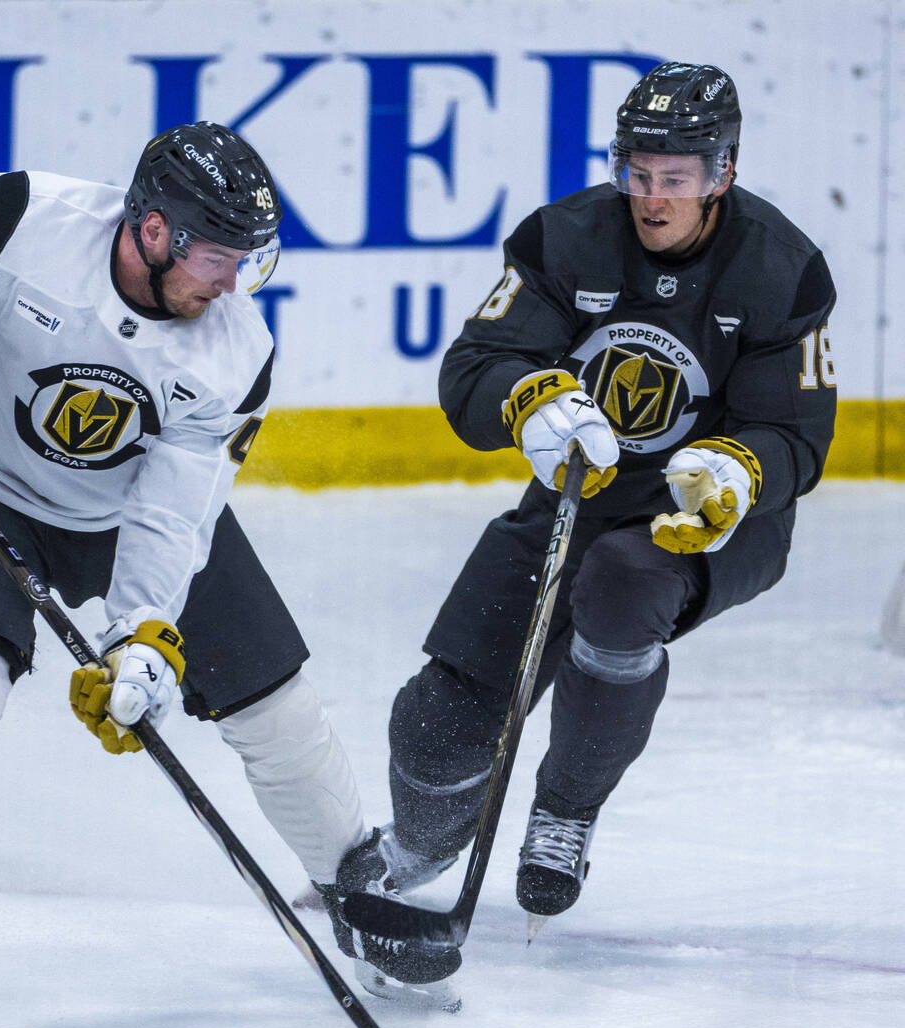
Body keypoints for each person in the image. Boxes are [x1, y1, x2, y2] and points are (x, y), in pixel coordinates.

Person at [0, 122, 450, 1028]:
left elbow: (172, 512)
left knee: (273, 702)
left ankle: (359, 895)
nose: (232, 282)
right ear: (154, 231)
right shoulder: (20, 215)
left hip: (123, 512)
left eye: (246, 261)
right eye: (220, 258)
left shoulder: (236, 353)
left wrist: (143, 632)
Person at [357, 61, 838, 956]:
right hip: (582, 494)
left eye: (675, 179)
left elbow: (796, 436)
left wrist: (737, 467)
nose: (650, 199)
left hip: (713, 518)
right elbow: (474, 367)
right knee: (437, 719)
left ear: (722, 174)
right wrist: (532, 396)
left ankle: (565, 811)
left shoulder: (783, 269)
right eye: (636, 173)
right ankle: (418, 847)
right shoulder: (565, 239)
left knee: (622, 586)